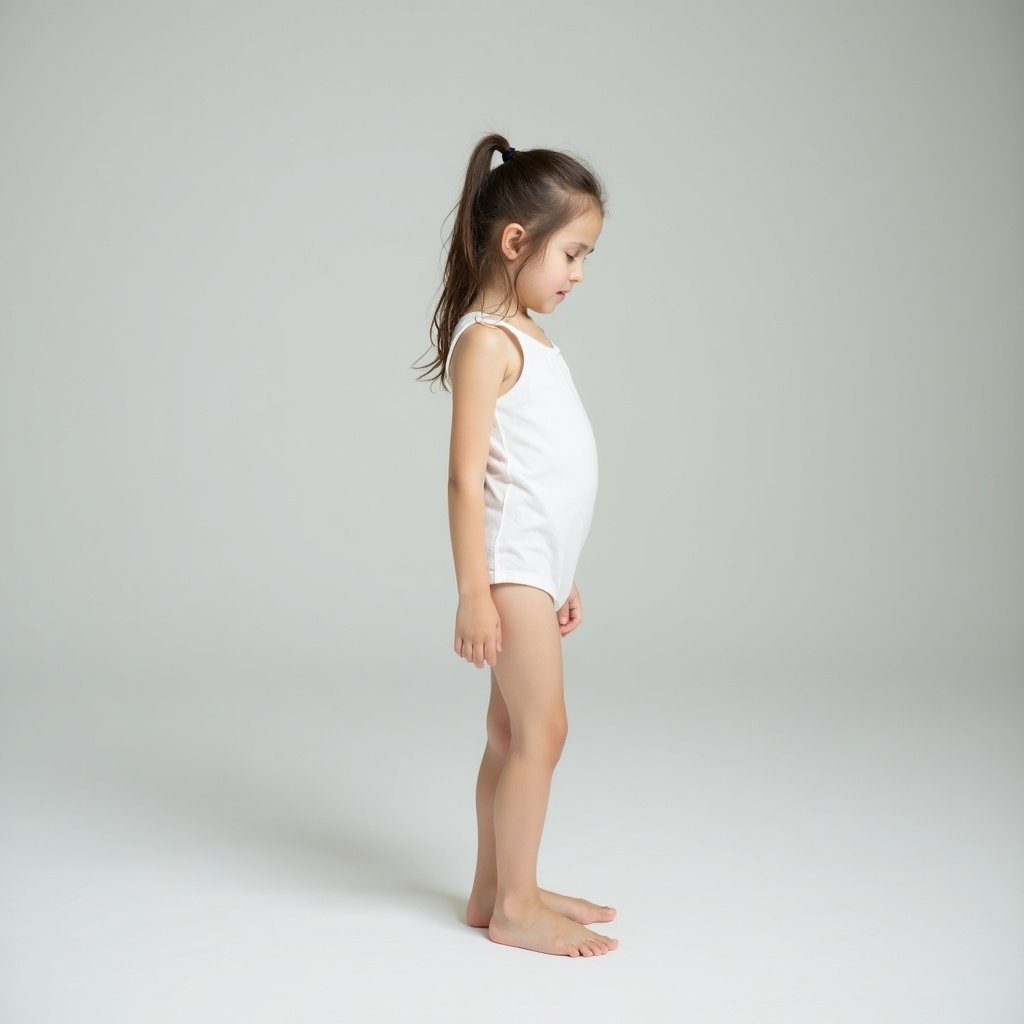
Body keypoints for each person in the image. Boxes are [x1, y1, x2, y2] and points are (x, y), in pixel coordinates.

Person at [415, 134, 617, 957]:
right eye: (571, 253)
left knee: (508, 736)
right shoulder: (486, 342)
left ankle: (494, 889)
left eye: (584, 257)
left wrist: (562, 573)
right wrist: (475, 591)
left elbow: (541, 478)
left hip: (535, 571)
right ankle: (518, 906)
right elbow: (467, 481)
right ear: (514, 242)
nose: (576, 273)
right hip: (507, 573)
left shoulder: (527, 334)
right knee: (545, 730)